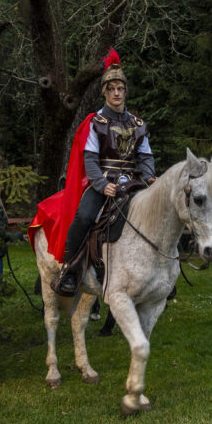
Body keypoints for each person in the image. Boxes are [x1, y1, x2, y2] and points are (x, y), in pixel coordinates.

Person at [54, 48, 156, 296]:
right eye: (111, 89)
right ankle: (70, 271)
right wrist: (101, 185)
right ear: (105, 92)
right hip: (103, 183)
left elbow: (145, 156)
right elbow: (89, 159)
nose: (117, 93)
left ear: (125, 91)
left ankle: (159, 273)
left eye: (120, 88)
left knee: (156, 215)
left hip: (132, 184)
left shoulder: (137, 125)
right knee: (85, 217)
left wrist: (150, 175)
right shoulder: (95, 122)